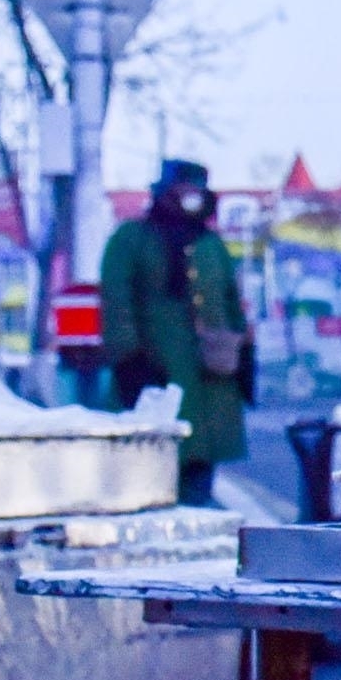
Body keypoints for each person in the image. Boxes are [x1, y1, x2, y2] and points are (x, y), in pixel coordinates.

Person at [100, 157, 250, 507]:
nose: (191, 198)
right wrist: (128, 357)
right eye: (184, 189)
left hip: (210, 383)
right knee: (152, 466)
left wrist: (240, 353)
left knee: (200, 468)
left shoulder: (211, 245)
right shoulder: (132, 239)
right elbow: (117, 301)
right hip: (155, 370)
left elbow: (229, 303)